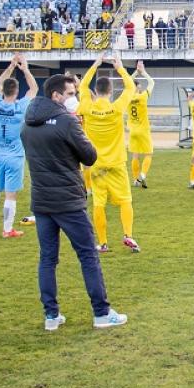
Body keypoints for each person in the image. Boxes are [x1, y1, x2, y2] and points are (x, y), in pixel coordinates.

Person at [21, 73, 127, 331]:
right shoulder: (67, 122)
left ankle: (51, 315)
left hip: (42, 200)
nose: (74, 99)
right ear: (56, 95)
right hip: (67, 200)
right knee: (88, 255)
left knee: (47, 259)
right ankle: (101, 313)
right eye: (70, 94)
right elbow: (89, 156)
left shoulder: (27, 124)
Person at [78, 52, 140, 254]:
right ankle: (128, 235)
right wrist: (120, 67)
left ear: (96, 90)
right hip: (117, 163)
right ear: (111, 91)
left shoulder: (87, 107)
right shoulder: (116, 109)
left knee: (99, 203)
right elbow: (130, 87)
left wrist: (95, 65)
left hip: (96, 165)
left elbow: (82, 86)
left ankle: (103, 243)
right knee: (125, 200)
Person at [0, 54, 37, 238]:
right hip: (15, 156)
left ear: (3, 91)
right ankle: (7, 230)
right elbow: (34, 88)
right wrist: (25, 69)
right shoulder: (21, 106)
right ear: (16, 91)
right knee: (10, 195)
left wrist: (11, 66)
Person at [128, 61, 155, 189]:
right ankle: (142, 176)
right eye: (138, 86)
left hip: (132, 130)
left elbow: (127, 81)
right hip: (143, 130)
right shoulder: (143, 96)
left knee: (135, 155)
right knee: (148, 154)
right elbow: (152, 83)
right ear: (137, 88)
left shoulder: (127, 96)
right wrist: (142, 72)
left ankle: (135, 180)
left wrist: (135, 73)